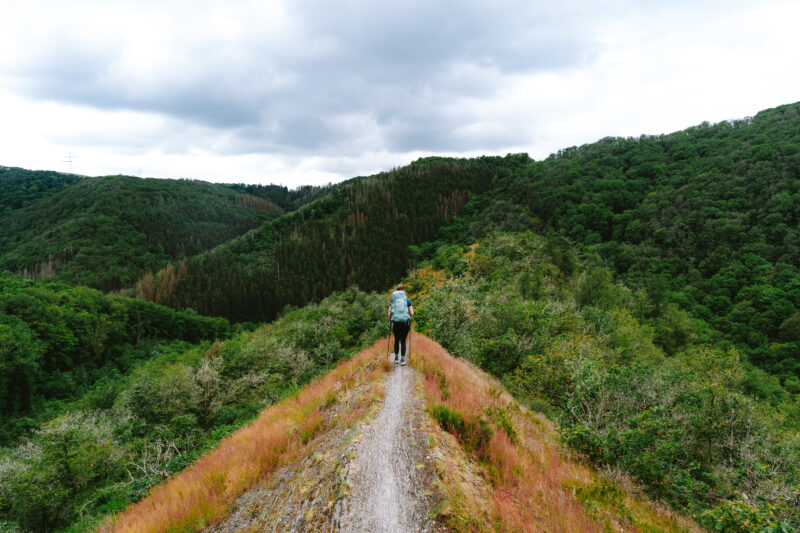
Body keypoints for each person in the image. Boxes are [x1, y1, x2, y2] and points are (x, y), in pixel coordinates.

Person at [388, 284, 413, 365]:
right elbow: (412, 312)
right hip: (405, 323)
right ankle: (402, 360)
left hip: (396, 322)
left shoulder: (393, 301)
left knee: (396, 340)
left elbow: (389, 314)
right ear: (404, 291)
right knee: (403, 341)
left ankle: (396, 358)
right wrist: (408, 315)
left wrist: (390, 320)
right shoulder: (407, 300)